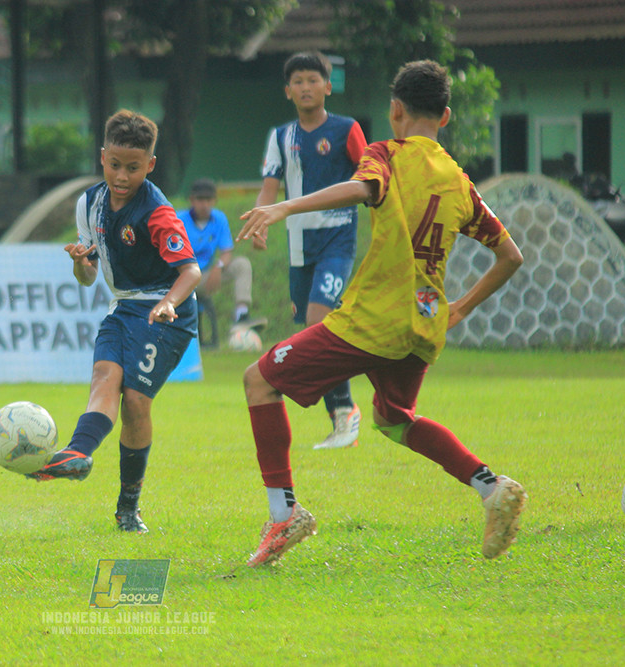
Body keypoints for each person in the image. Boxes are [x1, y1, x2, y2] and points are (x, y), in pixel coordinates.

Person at [236, 60, 527, 566]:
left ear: (395, 111)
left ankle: (284, 514)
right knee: (394, 419)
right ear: (446, 116)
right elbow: (510, 256)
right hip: (422, 324)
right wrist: (457, 308)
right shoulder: (459, 181)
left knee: (258, 381)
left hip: (372, 321)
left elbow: (364, 188)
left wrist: (284, 207)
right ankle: (491, 486)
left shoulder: (385, 154)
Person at [26, 109, 202, 535]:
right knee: (104, 377)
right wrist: (81, 265)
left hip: (167, 311)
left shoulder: (157, 212)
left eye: (134, 168)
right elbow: (88, 278)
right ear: (102, 157)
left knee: (136, 403)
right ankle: (78, 454)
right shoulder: (90, 203)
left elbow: (191, 271)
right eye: (115, 165)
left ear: (151, 166)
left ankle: (128, 508)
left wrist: (167, 305)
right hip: (123, 306)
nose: (123, 176)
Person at [254, 51, 368, 450]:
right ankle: (342, 417)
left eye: (312, 80)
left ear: (328, 86)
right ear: (288, 91)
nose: (305, 87)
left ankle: (346, 413)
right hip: (300, 247)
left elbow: (370, 179)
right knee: (312, 333)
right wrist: (261, 220)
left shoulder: (347, 129)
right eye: (297, 81)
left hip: (337, 240)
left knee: (319, 324)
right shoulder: (281, 136)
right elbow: (271, 185)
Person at [178, 178, 267, 334]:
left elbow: (226, 252)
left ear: (214, 200)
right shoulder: (179, 220)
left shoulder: (219, 219)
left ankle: (241, 315)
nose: (204, 204)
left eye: (208, 199)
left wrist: (218, 266)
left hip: (205, 276)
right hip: (181, 279)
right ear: (192, 200)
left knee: (241, 264)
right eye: (200, 199)